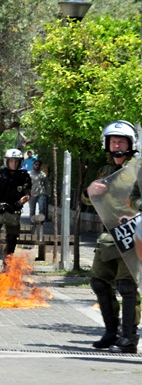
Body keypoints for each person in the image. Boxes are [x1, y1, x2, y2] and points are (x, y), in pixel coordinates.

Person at [85, 120, 140, 354]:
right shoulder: (105, 170)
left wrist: (133, 211)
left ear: (131, 143)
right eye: (113, 141)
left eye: (121, 141)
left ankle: (128, 337)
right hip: (108, 237)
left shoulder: (138, 167)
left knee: (127, 286)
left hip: (132, 235)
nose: (117, 145)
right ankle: (111, 331)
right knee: (98, 281)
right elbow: (88, 200)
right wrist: (90, 192)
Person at [0, 149, 31, 258]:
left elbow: (27, 194)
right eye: (12, 161)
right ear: (7, 161)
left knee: (12, 239)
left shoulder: (24, 176)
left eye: (17, 161)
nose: (14, 164)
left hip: (13, 211)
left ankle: (7, 264)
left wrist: (18, 203)